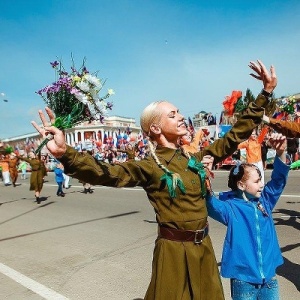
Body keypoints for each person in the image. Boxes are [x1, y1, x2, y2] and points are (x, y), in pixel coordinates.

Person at [31, 60, 276, 299]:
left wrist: (265, 93)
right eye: (172, 114)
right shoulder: (150, 166)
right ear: (156, 129)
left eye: (179, 112)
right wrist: (66, 154)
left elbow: (233, 136)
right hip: (173, 255)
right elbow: (107, 173)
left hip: (204, 250)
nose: (181, 117)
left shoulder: (195, 159)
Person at [203, 132, 289, 300]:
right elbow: (211, 203)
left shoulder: (265, 201)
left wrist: (281, 153)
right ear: (241, 185)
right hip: (243, 282)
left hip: (269, 279)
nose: (262, 184)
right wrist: (205, 176)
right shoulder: (231, 208)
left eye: (261, 180)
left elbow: (278, 181)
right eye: (257, 181)